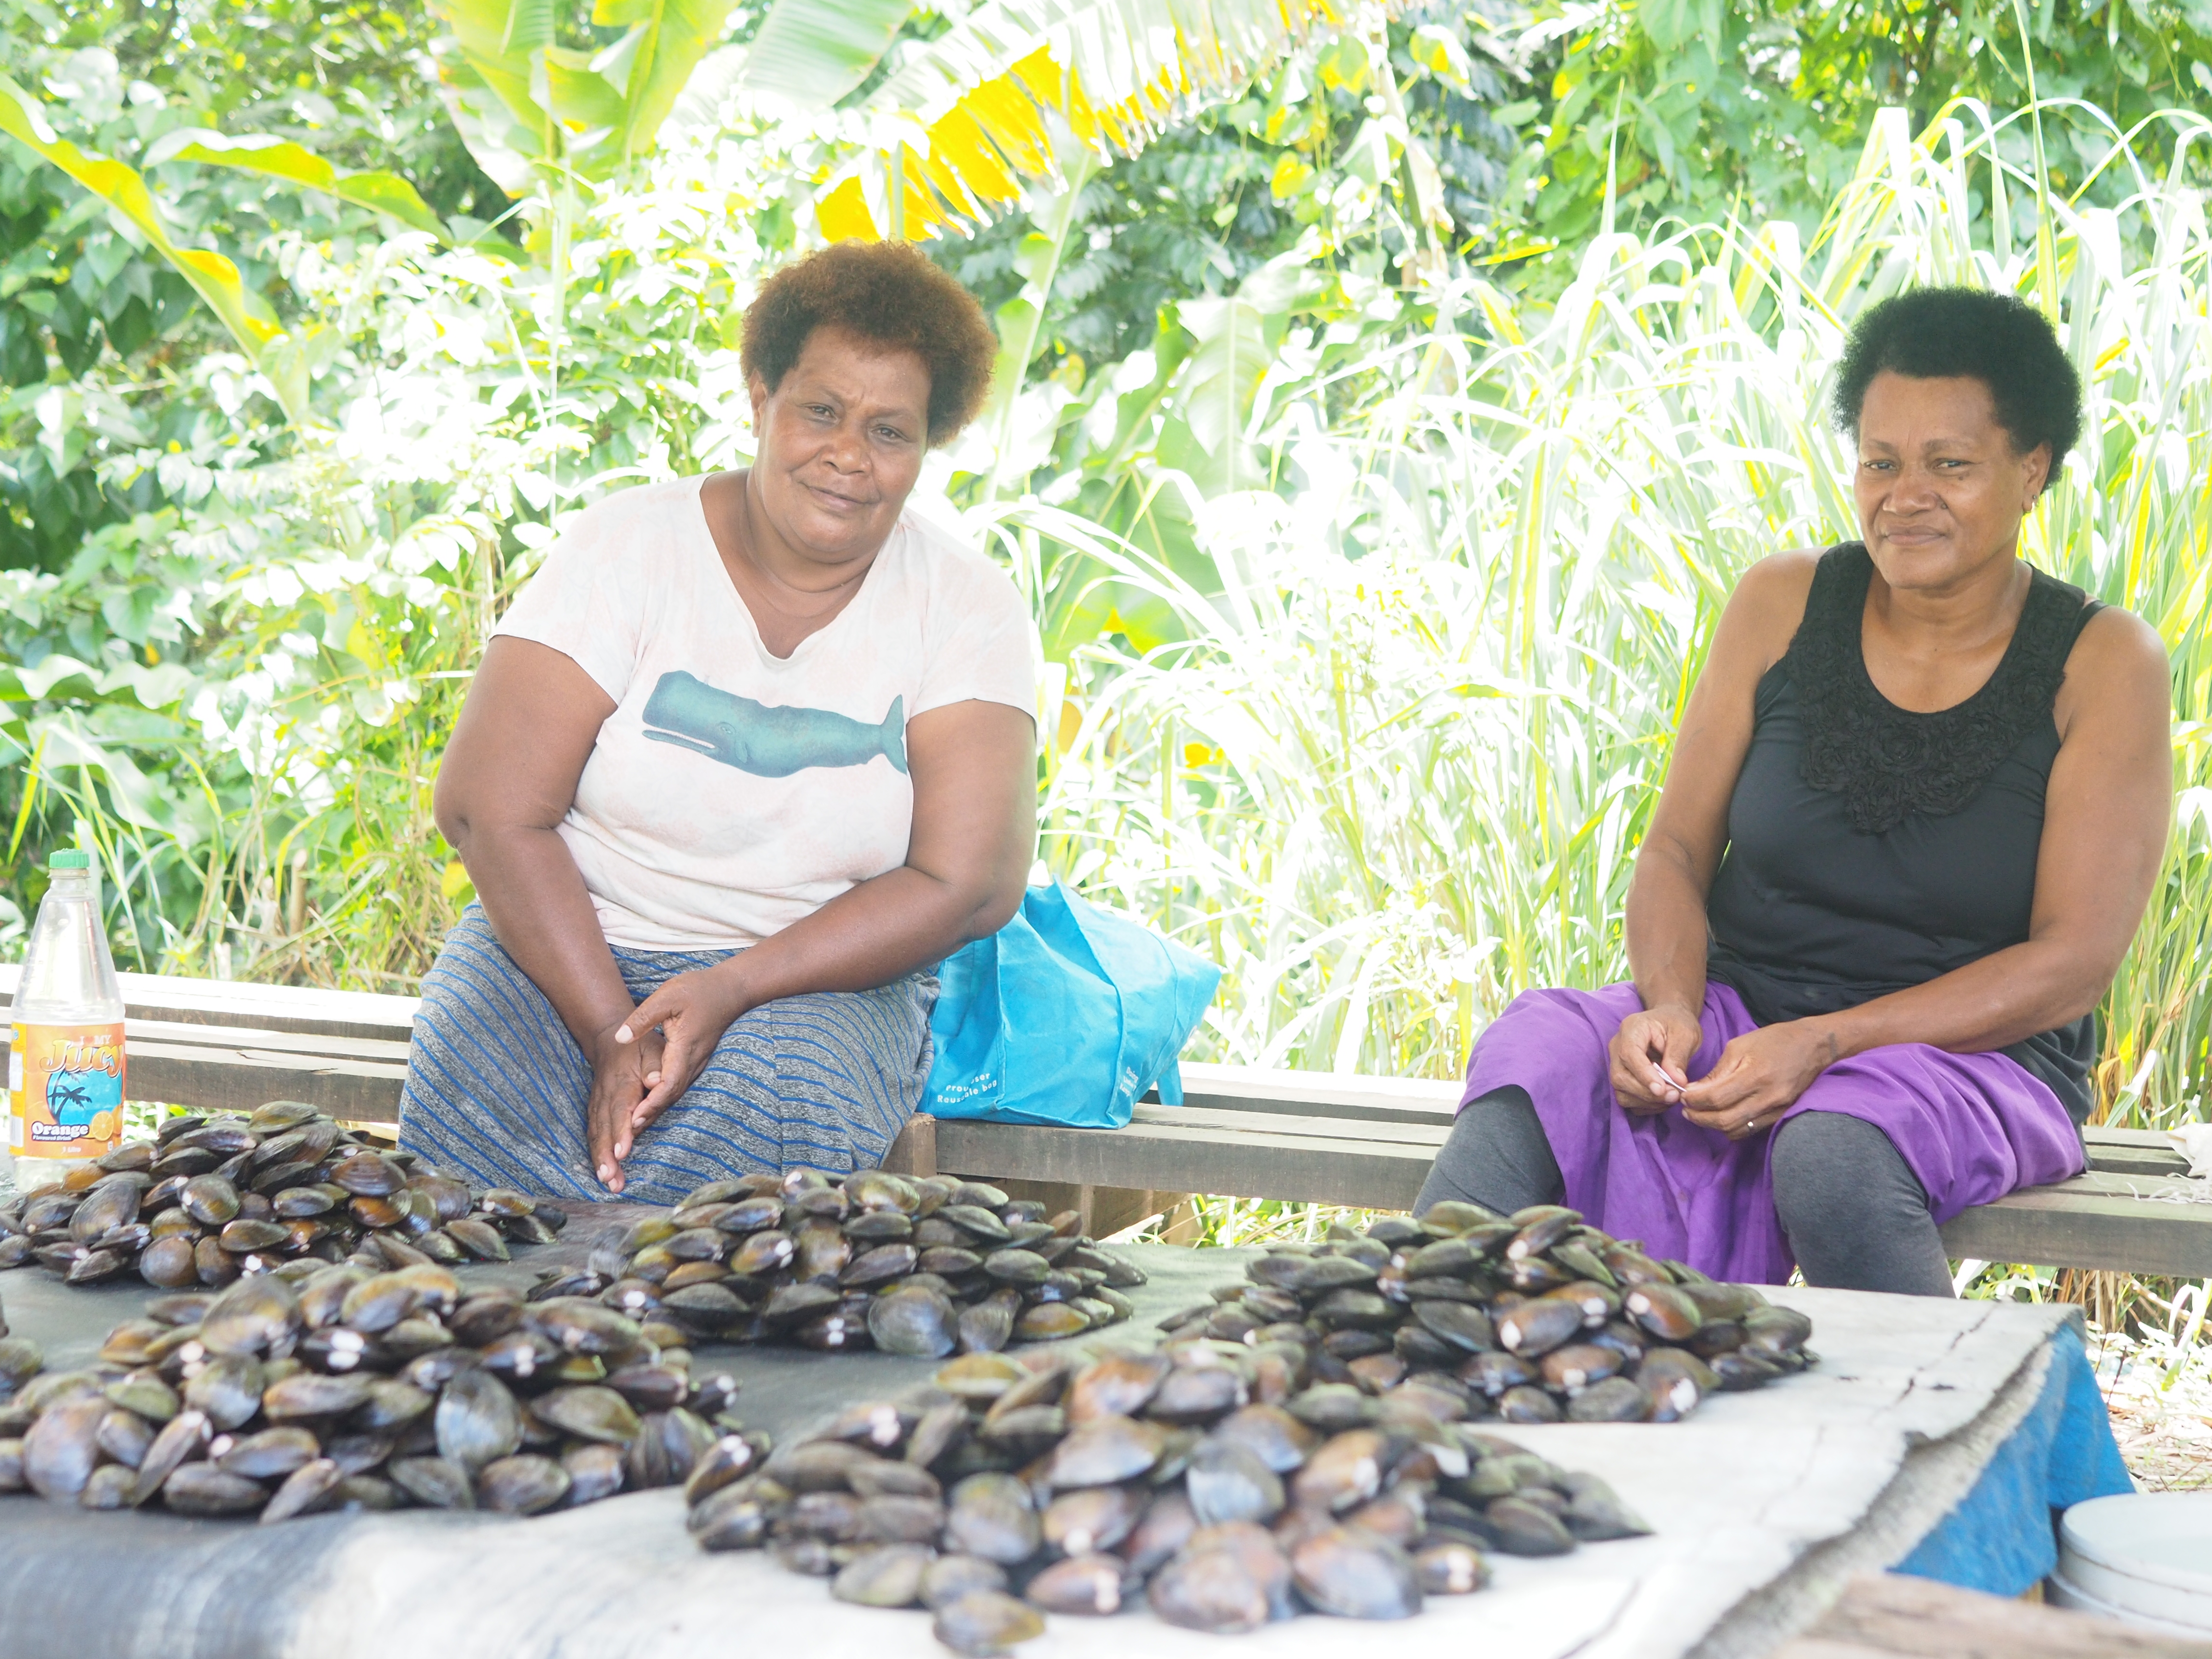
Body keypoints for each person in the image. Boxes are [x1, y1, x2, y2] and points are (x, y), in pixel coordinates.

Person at [1416, 287, 2172, 1295]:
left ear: (2032, 471)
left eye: (1951, 464)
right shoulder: (1781, 602)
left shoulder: (2104, 661)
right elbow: (1675, 853)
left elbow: (2073, 965)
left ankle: (1933, 1431)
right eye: (1880, 461)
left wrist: (1825, 1044)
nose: (1906, 495)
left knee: (1832, 1148)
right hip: (1740, 1018)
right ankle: (1411, 1370)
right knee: (1545, 1059)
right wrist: (1674, 1009)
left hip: (1970, 1059)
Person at [397, 242, 1036, 1205]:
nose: (848, 456)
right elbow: (490, 808)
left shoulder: (967, 609)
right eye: (821, 410)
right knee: (480, 1120)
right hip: (564, 943)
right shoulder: (628, 547)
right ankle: (511, 1335)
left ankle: (644, 1337)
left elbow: (969, 882)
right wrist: (613, 1031)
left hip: (815, 983)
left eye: (890, 431)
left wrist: (735, 985)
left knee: (743, 1145)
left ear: (927, 446)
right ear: (760, 394)